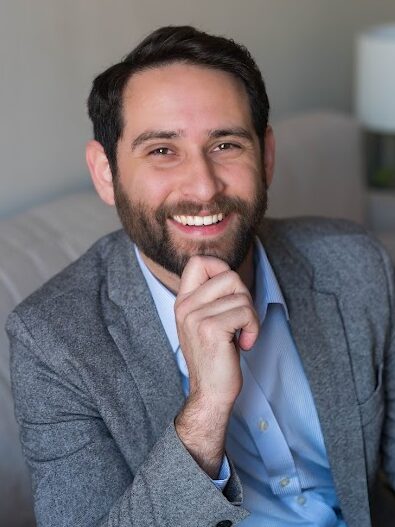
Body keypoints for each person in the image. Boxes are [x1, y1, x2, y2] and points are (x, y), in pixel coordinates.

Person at [6, 25, 395, 527]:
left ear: (266, 156)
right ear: (106, 173)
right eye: (162, 150)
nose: (203, 187)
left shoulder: (355, 264)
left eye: (226, 145)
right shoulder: (53, 341)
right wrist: (207, 409)